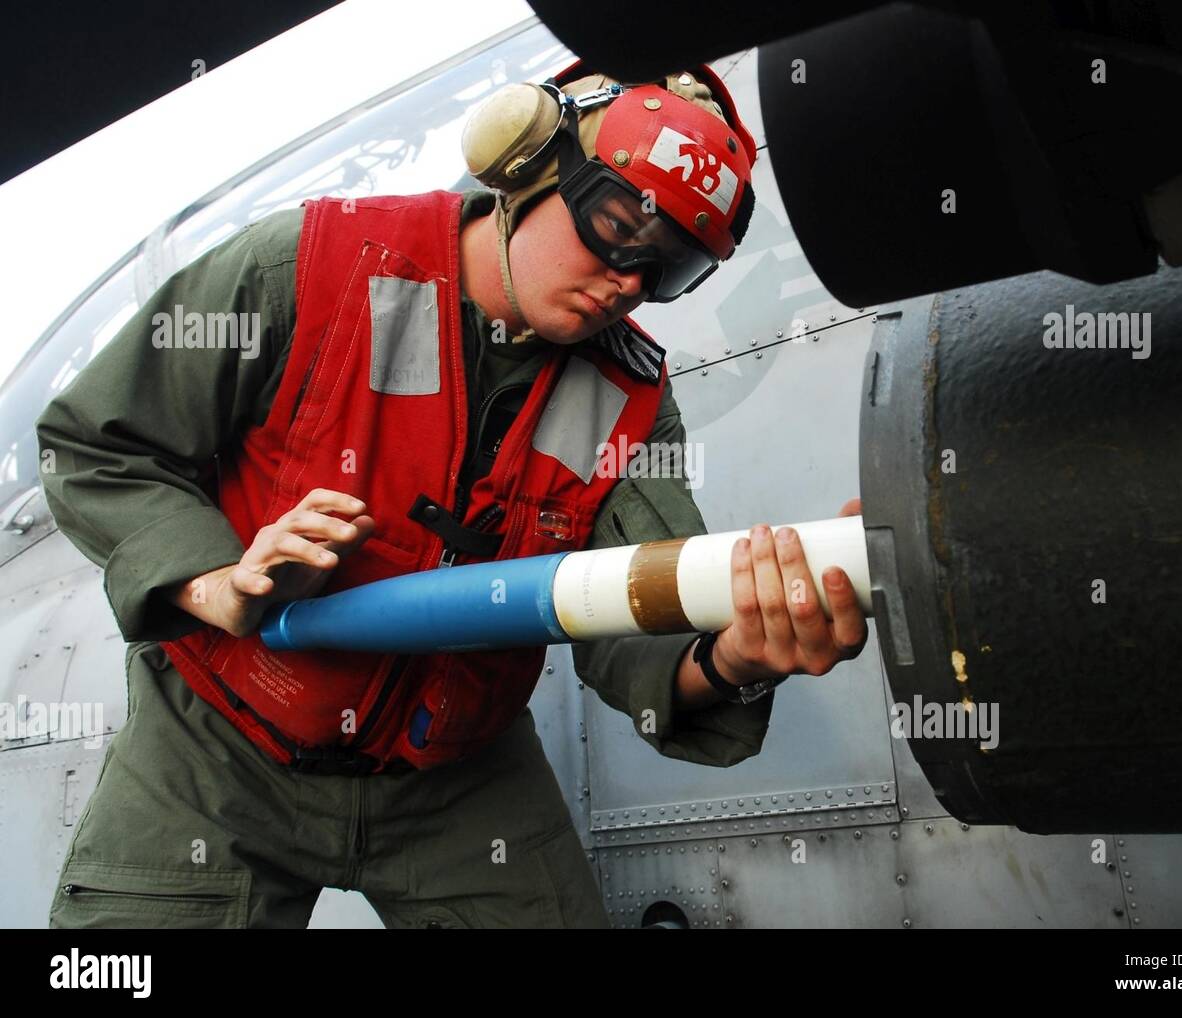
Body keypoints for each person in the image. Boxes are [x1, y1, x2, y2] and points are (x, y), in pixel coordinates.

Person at [36, 60, 868, 929]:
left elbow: (638, 617)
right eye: (617, 226)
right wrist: (212, 581)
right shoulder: (309, 269)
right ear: (529, 169)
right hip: (216, 748)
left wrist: (733, 662)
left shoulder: (626, 400)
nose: (627, 280)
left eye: (667, 268)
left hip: (456, 772)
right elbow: (95, 443)